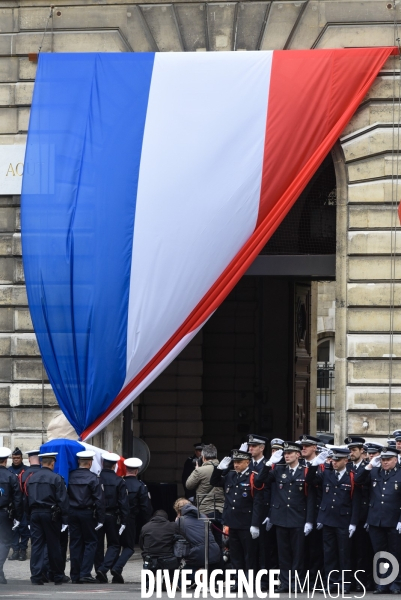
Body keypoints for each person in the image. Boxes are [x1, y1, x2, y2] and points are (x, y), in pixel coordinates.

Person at [256, 441, 314, 593]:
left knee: (298, 554)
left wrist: (309, 520)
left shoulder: (306, 471)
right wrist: (268, 464)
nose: (286, 456)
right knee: (283, 554)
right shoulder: (278, 470)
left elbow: (310, 498)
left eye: (290, 453)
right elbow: (259, 481)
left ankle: (297, 582)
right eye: (285, 453)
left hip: (298, 518)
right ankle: (285, 583)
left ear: (298, 455)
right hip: (281, 517)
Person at [306, 446, 360, 594]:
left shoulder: (352, 476)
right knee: (329, 554)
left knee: (344, 554)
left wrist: (353, 523)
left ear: (345, 460)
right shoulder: (326, 474)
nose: (334, 463)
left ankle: (345, 583)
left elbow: (355, 501)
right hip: (327, 519)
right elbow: (309, 480)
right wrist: (314, 464)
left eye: (337, 460)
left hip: (343, 520)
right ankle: (332, 582)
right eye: (333, 460)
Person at [210, 448, 263, 590]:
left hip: (247, 522)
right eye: (234, 462)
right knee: (236, 555)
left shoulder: (253, 477)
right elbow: (214, 481)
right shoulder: (231, 476)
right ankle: (239, 582)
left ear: (247, 462)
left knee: (249, 555)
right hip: (232, 522)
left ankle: (250, 582)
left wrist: (255, 524)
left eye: (239, 462)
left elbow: (257, 502)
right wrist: (219, 468)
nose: (236, 465)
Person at [355, 445, 401, 594]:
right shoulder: (375, 472)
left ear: (396, 459)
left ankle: (395, 583)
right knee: (379, 553)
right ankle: (382, 582)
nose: (385, 462)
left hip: (394, 519)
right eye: (383, 460)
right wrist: (368, 466)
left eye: (388, 460)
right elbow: (358, 480)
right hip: (376, 519)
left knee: (395, 552)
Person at [26, 452, 69, 586]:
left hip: (34, 514)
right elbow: (62, 500)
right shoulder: (56, 478)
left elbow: (26, 499)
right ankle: (57, 575)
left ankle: (36, 575)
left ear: (41, 462)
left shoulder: (31, 478)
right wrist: (65, 520)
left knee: (37, 545)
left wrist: (28, 517)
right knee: (53, 545)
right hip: (50, 514)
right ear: (52, 463)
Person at [110, 457, 152, 583]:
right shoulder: (140, 486)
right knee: (129, 547)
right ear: (137, 471)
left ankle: (116, 576)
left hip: (114, 518)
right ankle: (117, 568)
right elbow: (145, 507)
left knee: (115, 546)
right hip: (130, 519)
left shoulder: (118, 482)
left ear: (126, 469)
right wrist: (147, 522)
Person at [67, 450, 105, 583]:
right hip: (88, 513)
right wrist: (101, 518)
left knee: (75, 543)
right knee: (91, 542)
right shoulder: (94, 478)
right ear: (90, 462)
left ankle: (75, 574)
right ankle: (85, 573)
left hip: (72, 512)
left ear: (79, 462)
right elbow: (99, 500)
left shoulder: (70, 476)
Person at [95, 452, 129, 583]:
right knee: (114, 544)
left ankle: (99, 571)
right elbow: (123, 503)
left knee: (97, 545)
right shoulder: (119, 481)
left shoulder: (96, 478)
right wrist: (124, 520)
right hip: (112, 515)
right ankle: (103, 569)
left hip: (97, 515)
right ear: (114, 466)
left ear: (103, 463)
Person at [345, 435, 373, 591]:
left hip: (363, 515)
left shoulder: (369, 467)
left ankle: (362, 580)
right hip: (347, 514)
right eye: (349, 450)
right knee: (348, 551)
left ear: (362, 451)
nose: (351, 453)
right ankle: (349, 580)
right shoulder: (347, 467)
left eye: (354, 450)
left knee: (362, 551)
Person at [185, 444, 224, 545]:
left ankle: (208, 560)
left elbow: (188, 485)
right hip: (222, 509)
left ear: (203, 457)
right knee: (219, 541)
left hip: (205, 510)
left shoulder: (200, 470)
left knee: (206, 542)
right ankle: (219, 559)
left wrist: (196, 469)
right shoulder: (225, 469)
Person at [173, 497, 221, 581]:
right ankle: (205, 576)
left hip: (198, 554)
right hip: (214, 552)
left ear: (179, 511)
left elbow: (178, 539)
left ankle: (197, 575)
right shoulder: (204, 516)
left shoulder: (180, 521)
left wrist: (177, 521)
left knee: (182, 578)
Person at [0, 447, 22, 584]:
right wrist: (18, 517)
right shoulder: (11, 476)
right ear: (6, 460)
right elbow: (17, 499)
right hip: (4, 513)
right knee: (4, 542)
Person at [139, 510, 178, 583]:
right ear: (166, 518)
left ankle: (149, 581)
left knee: (148, 583)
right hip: (167, 559)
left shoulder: (145, 527)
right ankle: (169, 582)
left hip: (150, 558)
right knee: (172, 570)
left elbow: (141, 544)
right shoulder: (173, 526)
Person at [8, 447, 28, 561]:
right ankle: (15, 550)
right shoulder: (8, 470)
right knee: (13, 529)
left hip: (24, 503)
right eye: (14, 458)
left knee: (24, 528)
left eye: (18, 458)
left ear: (21, 458)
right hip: (12, 505)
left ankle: (23, 550)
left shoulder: (26, 470)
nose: (16, 460)